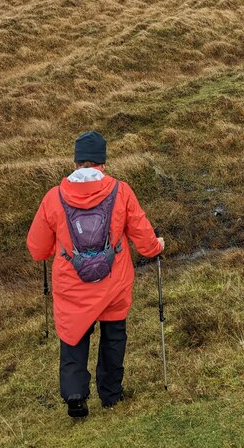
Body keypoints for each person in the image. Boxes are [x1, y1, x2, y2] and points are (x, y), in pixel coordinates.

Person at [27, 131, 163, 419]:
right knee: (114, 337)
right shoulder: (121, 191)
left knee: (73, 337)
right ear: (102, 160)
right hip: (114, 282)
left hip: (72, 287)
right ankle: (111, 395)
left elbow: (37, 249)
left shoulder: (54, 197)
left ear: (77, 161)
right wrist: (157, 246)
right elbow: (144, 238)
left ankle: (75, 396)